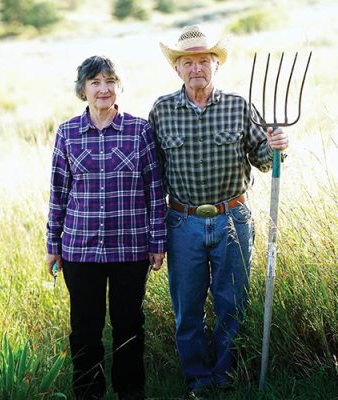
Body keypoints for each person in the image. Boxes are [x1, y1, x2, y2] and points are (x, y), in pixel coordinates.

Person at [149, 25, 289, 398]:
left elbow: (263, 160)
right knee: (187, 309)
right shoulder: (162, 111)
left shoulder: (239, 106)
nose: (197, 68)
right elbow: (154, 175)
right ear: (177, 69)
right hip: (182, 222)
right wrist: (153, 231)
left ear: (216, 64)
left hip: (233, 219)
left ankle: (226, 377)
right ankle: (198, 380)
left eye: (204, 61)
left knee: (232, 304)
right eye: (188, 62)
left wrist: (277, 145)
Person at [46, 55, 167, 400]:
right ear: (83, 89)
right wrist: (52, 244)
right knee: (85, 329)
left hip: (130, 249)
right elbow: (58, 193)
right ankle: (88, 393)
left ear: (118, 87)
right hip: (81, 250)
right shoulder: (67, 133)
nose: (103, 89)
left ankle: (130, 392)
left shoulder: (140, 130)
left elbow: (155, 190)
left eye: (110, 81)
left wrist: (158, 241)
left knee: (129, 325)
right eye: (95, 82)